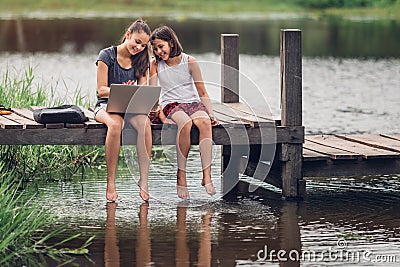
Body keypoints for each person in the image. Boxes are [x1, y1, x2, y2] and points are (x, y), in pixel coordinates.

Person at [149, 25, 218, 199]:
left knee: (204, 123)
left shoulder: (190, 61)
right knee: (185, 123)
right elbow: (153, 95)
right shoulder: (156, 64)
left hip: (192, 103)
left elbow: (202, 92)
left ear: (171, 43)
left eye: (161, 47)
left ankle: (206, 175)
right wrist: (163, 117)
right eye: (155, 49)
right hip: (170, 105)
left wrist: (210, 114)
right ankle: (181, 176)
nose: (158, 51)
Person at [94, 19, 152, 202]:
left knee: (145, 124)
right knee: (115, 125)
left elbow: (142, 90)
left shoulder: (142, 59)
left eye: (143, 45)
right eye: (137, 42)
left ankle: (144, 179)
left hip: (129, 107)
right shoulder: (107, 56)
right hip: (105, 105)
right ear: (128, 34)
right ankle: (111, 182)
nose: (139, 48)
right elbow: (101, 90)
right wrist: (121, 90)